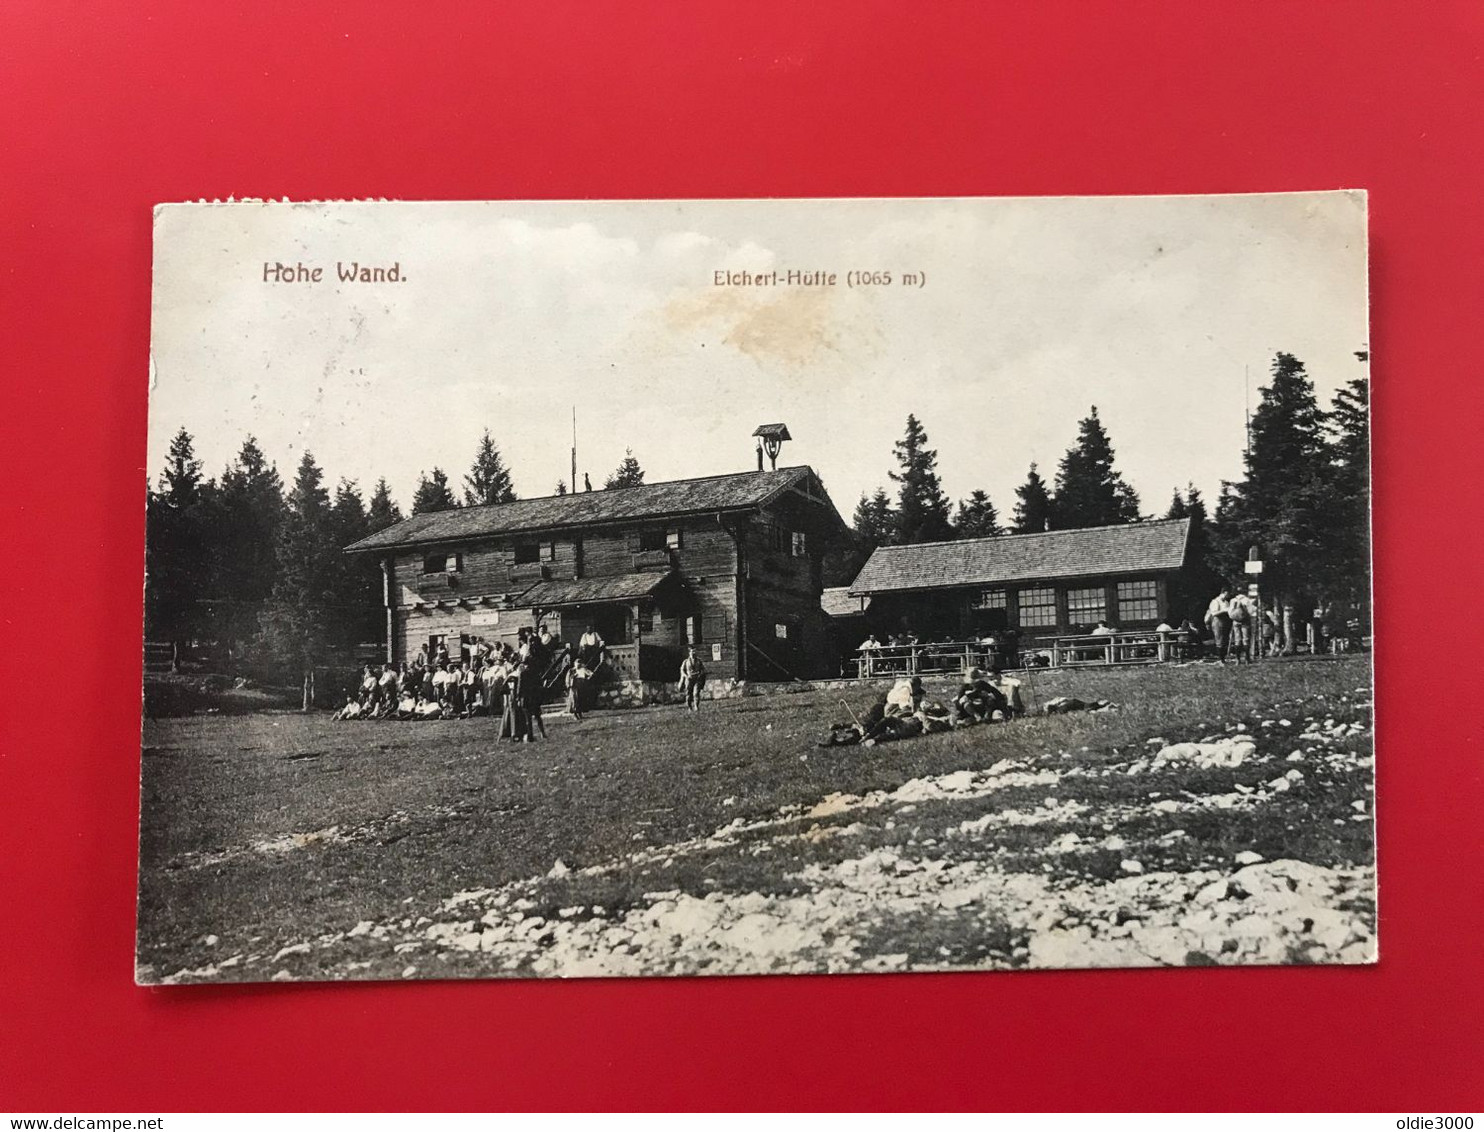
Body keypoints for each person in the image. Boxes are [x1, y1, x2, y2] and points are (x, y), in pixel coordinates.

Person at [1205, 587, 1233, 660]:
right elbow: (1214, 613)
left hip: (1225, 621)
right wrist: (1225, 610)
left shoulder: (1226, 602)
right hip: (1218, 620)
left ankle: (1224, 657)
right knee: (1219, 639)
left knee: (1225, 639)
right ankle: (1221, 659)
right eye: (1228, 594)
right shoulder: (1215, 601)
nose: (1229, 596)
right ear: (1225, 593)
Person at [1227, 592, 1254, 662]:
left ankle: (1237, 659)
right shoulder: (1247, 600)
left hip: (1236, 621)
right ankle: (1247, 659)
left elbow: (1230, 613)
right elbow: (1251, 611)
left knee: (1237, 639)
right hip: (1245, 621)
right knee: (1246, 639)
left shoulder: (1233, 600)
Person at [679, 646, 707, 712]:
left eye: (694, 652)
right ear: (689, 653)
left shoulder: (699, 661)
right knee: (688, 694)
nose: (693, 653)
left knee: (696, 693)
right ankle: (690, 707)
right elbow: (682, 670)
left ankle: (696, 707)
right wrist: (686, 676)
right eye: (692, 652)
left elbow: (703, 669)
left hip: (697, 679)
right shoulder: (686, 662)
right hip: (689, 680)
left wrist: (700, 674)